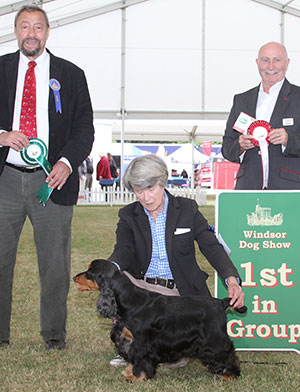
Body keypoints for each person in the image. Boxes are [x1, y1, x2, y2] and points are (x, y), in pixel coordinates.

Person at [0, 5, 94, 350]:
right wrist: (2, 136)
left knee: (55, 265)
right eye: (24, 26)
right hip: (4, 180)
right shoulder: (1, 69)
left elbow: (84, 128)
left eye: (37, 27)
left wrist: (67, 163)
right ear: (15, 31)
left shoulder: (71, 74)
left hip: (52, 182)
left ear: (47, 32)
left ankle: (54, 335)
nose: (31, 33)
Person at [107, 154, 244, 366]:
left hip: (175, 294)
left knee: (175, 361)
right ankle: (128, 346)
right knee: (119, 280)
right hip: (141, 289)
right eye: (138, 190)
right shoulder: (128, 214)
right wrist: (110, 269)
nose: (145, 197)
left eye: (151, 188)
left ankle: (146, 348)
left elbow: (211, 246)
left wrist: (231, 280)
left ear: (163, 182)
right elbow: (123, 249)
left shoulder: (187, 209)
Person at [222, 41, 300, 190]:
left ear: (287, 63)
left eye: (277, 60)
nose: (271, 66)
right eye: (265, 60)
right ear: (257, 63)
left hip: (289, 188)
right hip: (248, 186)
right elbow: (226, 147)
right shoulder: (241, 100)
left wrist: (289, 140)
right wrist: (239, 146)